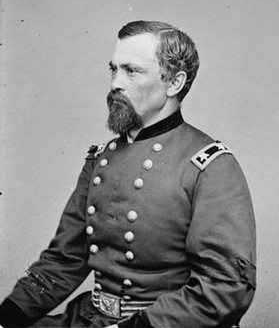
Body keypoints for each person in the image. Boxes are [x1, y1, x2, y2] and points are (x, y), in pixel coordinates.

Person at [0, 20, 256, 328]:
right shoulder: (101, 158)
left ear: (174, 83)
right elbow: (63, 262)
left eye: (131, 71)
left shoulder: (211, 166)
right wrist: (7, 318)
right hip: (92, 317)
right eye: (113, 69)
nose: (114, 83)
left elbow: (225, 287)